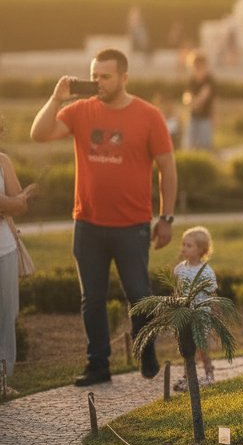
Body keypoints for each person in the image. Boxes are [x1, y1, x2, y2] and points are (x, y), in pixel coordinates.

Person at [30, 48, 177, 386]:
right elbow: (39, 134)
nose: (98, 82)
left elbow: (167, 167)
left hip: (133, 225)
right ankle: (98, 365)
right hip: (89, 224)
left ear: (124, 77)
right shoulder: (80, 110)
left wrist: (166, 216)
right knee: (91, 299)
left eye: (105, 76)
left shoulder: (148, 115)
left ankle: (146, 349)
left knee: (139, 294)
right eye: (94, 75)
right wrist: (56, 99)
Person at [1, 125, 39, 396]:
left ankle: (2, 380)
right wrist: (14, 200)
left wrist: (14, 201)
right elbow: (12, 202)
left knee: (6, 315)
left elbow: (20, 207)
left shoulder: (3, 161)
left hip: (5, 249)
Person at [171, 226, 218, 392]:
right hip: (185, 315)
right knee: (187, 346)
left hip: (201, 315)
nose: (184, 248)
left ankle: (208, 373)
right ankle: (188, 376)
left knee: (201, 344)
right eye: (183, 244)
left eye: (189, 245)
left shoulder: (206, 271)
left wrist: (214, 314)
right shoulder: (179, 269)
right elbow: (176, 291)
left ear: (200, 250)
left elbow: (212, 294)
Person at [181, 51, 216, 151]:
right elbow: (186, 95)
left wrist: (194, 102)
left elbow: (205, 95)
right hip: (193, 115)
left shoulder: (209, 80)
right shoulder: (191, 80)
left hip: (205, 116)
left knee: (205, 145)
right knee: (189, 144)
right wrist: (190, 101)